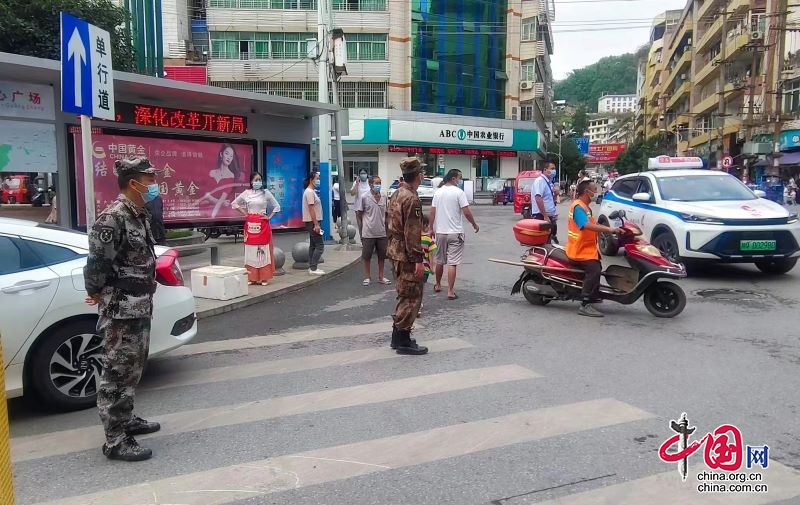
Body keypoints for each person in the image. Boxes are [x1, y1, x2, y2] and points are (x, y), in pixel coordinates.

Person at [83, 157, 161, 462]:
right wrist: (96, 293)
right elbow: (96, 265)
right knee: (117, 371)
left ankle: (126, 419)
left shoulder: (138, 214)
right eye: (150, 178)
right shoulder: (113, 218)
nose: (154, 183)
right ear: (134, 182)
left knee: (133, 368)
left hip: (139, 306)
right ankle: (115, 439)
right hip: (121, 309)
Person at [387, 157, 429, 355]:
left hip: (395, 250)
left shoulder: (397, 193)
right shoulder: (412, 198)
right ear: (418, 176)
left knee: (403, 293)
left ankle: (398, 337)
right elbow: (412, 233)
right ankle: (403, 339)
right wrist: (418, 260)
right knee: (411, 296)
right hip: (406, 254)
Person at [565, 180, 622, 318]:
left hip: (587, 248)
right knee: (594, 270)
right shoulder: (578, 207)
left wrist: (609, 231)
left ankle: (593, 294)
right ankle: (585, 303)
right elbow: (585, 225)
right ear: (586, 192)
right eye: (594, 190)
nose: (596, 193)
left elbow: (593, 224)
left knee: (597, 266)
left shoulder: (585, 206)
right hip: (579, 249)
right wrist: (609, 229)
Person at [429, 169, 479, 300]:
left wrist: (430, 228)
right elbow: (466, 212)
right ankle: (450, 291)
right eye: (459, 178)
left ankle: (438, 284)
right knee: (452, 263)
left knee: (439, 260)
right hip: (455, 232)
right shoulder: (459, 193)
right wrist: (474, 224)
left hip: (440, 232)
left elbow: (432, 212)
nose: (460, 180)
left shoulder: (438, 193)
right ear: (453, 178)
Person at [232, 172, 281, 285]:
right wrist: (245, 213)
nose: (258, 182)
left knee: (262, 250)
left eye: (260, 180)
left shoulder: (266, 193)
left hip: (262, 224)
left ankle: (264, 277)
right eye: (256, 180)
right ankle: (252, 277)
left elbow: (277, 206)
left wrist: (268, 217)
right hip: (250, 224)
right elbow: (234, 204)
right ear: (251, 181)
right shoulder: (246, 193)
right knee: (251, 251)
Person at [358, 176, 391, 286]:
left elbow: (386, 215)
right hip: (368, 232)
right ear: (371, 184)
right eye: (376, 183)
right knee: (367, 256)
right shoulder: (364, 197)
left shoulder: (384, 197)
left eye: (380, 183)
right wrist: (364, 226)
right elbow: (359, 213)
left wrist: (388, 228)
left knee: (382, 256)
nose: (378, 185)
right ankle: (367, 277)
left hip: (381, 232)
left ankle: (381, 276)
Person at [303, 171, 325, 275]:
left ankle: (312, 267)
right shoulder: (309, 192)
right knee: (320, 246)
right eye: (317, 178)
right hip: (312, 222)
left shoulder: (311, 191)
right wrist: (316, 224)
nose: (318, 180)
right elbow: (311, 208)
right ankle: (313, 268)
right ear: (311, 180)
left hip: (313, 222)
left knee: (313, 245)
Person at [531, 161, 559, 244]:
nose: (554, 171)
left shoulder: (549, 182)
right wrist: (545, 216)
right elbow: (538, 198)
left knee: (547, 241)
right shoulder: (540, 181)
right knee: (542, 242)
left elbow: (549, 200)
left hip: (548, 216)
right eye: (552, 169)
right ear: (545, 170)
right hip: (541, 216)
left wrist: (555, 194)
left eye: (555, 169)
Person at [419, 215, 438, 318]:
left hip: (414, 267)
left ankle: (415, 304)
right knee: (421, 287)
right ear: (426, 225)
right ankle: (418, 304)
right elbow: (431, 255)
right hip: (425, 268)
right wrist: (432, 267)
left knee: (415, 287)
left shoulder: (413, 238)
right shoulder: (428, 239)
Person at [350, 168, 371, 237]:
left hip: (368, 207)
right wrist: (357, 184)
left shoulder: (370, 182)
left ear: (367, 174)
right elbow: (352, 193)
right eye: (361, 173)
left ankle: (368, 239)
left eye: (364, 173)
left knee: (368, 224)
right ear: (359, 175)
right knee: (361, 225)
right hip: (358, 207)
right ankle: (363, 240)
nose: (363, 175)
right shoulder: (356, 183)